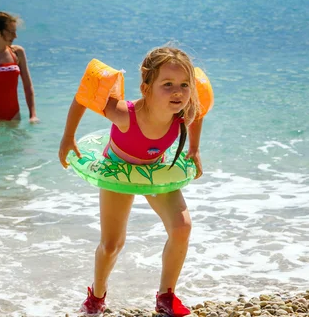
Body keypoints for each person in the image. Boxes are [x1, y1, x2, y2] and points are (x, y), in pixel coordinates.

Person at [58, 46, 204, 317]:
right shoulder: (124, 115)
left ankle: (166, 296)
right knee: (112, 244)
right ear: (146, 87)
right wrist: (68, 137)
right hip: (118, 169)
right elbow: (84, 97)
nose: (178, 92)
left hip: (155, 167)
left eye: (184, 85)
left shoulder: (185, 112)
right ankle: (97, 295)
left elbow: (199, 113)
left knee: (182, 227)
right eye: (167, 84)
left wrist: (193, 148)